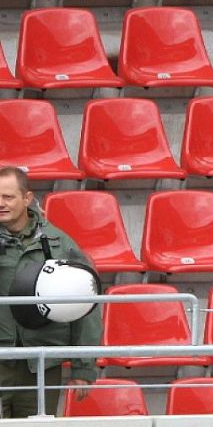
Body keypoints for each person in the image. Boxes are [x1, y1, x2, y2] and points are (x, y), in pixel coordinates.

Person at [0, 168, 102, 418]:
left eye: (8, 197)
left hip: (42, 366)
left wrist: (83, 368)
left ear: (27, 198)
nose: (1, 204)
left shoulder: (60, 243)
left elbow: (86, 306)